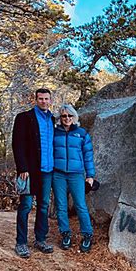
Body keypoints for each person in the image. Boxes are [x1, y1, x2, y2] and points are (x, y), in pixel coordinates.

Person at [12, 88, 55, 258]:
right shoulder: (24, 118)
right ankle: (21, 242)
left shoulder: (53, 119)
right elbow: (17, 144)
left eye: (46, 98)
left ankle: (40, 239)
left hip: (48, 170)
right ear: (35, 99)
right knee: (26, 206)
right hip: (29, 171)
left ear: (50, 100)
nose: (43, 101)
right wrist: (22, 168)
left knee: (44, 206)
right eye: (40, 98)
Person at [52, 104, 95, 252]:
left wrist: (90, 175)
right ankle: (65, 234)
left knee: (80, 205)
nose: (67, 118)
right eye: (64, 116)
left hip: (76, 174)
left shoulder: (82, 133)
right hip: (58, 174)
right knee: (61, 206)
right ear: (60, 118)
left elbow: (88, 155)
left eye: (70, 116)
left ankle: (87, 235)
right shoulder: (54, 132)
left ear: (74, 117)